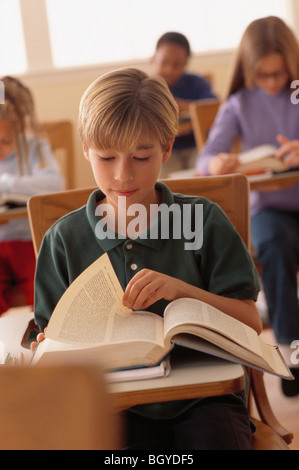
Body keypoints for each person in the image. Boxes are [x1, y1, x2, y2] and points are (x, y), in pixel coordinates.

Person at [32, 67, 261, 450]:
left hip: (206, 400)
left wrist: (181, 292)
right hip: (110, 405)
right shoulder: (64, 240)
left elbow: (250, 321)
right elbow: (47, 341)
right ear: (86, 149)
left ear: (167, 148)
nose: (123, 175)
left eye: (141, 156)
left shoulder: (202, 221)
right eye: (106, 157)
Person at [196, 16, 299, 396]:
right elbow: (204, 159)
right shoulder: (240, 103)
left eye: (280, 72)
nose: (273, 82)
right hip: (269, 208)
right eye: (264, 75)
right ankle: (292, 356)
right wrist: (216, 163)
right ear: (249, 70)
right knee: (273, 243)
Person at [0, 76, 64, 316]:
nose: (0, 148)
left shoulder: (35, 147)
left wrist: (7, 185)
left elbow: (54, 183)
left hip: (30, 241)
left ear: (21, 128)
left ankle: (38, 339)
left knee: (42, 295)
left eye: (6, 141)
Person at [152, 32, 216, 176]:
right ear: (154, 59)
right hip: (164, 151)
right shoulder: (147, 87)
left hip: (196, 146)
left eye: (176, 65)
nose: (169, 69)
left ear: (185, 64)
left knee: (204, 172)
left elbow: (213, 106)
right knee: (163, 178)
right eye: (164, 62)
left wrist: (184, 106)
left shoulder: (196, 83)